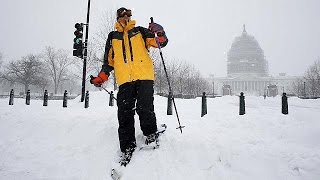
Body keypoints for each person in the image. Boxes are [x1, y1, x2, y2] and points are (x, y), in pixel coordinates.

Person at [90, 7, 168, 166]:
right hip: (125, 80)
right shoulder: (112, 37)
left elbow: (160, 43)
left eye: (127, 15)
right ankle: (127, 147)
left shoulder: (140, 32)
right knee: (124, 113)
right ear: (118, 18)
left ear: (131, 17)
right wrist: (101, 77)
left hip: (144, 76)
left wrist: (160, 32)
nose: (124, 18)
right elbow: (108, 62)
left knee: (144, 107)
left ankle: (151, 134)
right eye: (121, 16)